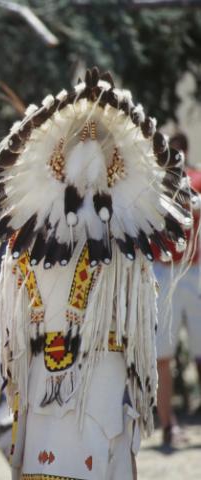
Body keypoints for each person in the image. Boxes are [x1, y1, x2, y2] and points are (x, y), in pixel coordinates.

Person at [0, 68, 194, 479]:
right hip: (45, 378)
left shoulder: (121, 250)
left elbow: (136, 330)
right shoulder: (27, 243)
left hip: (100, 379)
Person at [153, 132, 201, 448]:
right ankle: (168, 424)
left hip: (193, 270)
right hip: (164, 271)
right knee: (162, 356)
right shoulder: (153, 183)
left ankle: (172, 423)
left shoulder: (195, 179)